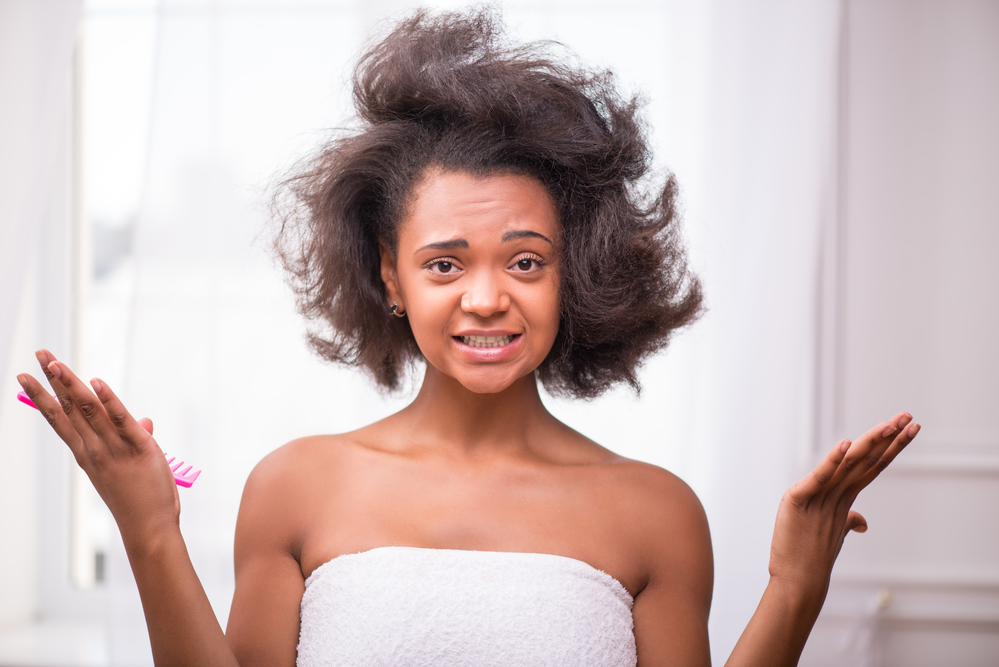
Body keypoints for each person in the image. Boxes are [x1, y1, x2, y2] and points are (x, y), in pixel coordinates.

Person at [16, 9, 919, 667]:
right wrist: (150, 532)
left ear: (574, 271)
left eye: (524, 262)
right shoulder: (294, 487)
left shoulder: (656, 513)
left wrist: (794, 586)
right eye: (445, 265)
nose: (486, 299)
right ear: (387, 275)